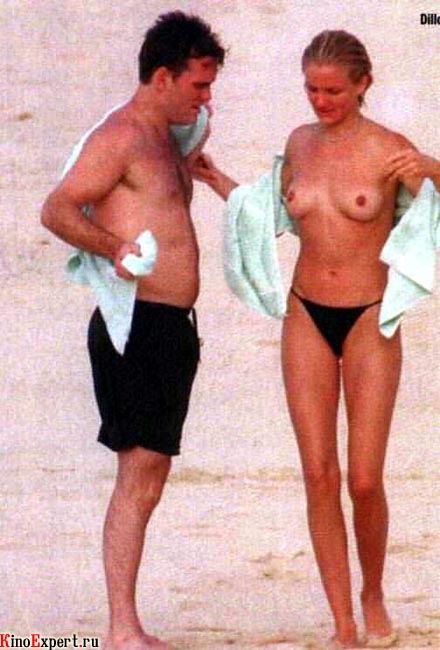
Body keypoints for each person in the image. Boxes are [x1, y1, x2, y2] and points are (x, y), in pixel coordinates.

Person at [192, 30, 440, 649]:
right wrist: (216, 178)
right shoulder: (299, 143)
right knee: (318, 474)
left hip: (370, 316)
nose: (321, 101)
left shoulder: (391, 149)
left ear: (363, 85)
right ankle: (343, 625)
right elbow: (269, 214)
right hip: (305, 313)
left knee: (364, 479)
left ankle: (373, 593)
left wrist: (435, 169)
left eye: (333, 91)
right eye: (311, 89)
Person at [41, 11, 225, 650]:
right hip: (136, 324)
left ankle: (126, 623)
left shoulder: (167, 138)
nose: (207, 97)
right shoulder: (120, 136)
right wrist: (113, 246)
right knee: (138, 474)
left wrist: (200, 155)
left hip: (171, 326)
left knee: (150, 474)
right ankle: (122, 627)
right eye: (199, 84)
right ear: (163, 76)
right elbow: (57, 208)